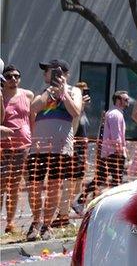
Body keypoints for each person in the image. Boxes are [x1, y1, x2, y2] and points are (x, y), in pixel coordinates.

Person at [26, 59, 82, 241]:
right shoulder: (44, 92)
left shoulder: (75, 91)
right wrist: (50, 92)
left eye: (48, 71)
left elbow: (75, 112)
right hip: (38, 148)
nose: (44, 74)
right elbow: (33, 107)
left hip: (60, 147)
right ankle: (35, 222)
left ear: (61, 72)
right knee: (33, 186)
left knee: (53, 186)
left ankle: (47, 225)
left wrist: (63, 92)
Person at [2, 63, 33, 234]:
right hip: (3, 148)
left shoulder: (27, 95)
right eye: (9, 76)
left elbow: (32, 119)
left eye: (16, 76)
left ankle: (10, 222)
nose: (13, 79)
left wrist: (34, 140)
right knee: (0, 186)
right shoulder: (0, 95)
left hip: (23, 146)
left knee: (14, 186)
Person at [55, 81, 91, 227]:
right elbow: (74, 128)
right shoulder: (75, 111)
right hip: (73, 149)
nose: (86, 94)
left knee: (76, 184)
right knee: (69, 183)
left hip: (81, 151)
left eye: (87, 91)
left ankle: (66, 210)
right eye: (83, 91)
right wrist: (80, 105)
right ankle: (61, 216)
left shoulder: (83, 112)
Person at [93, 91, 130, 194]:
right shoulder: (116, 114)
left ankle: (80, 200)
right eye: (125, 100)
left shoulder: (113, 113)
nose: (128, 102)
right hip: (114, 153)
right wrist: (120, 153)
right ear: (118, 100)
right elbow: (116, 136)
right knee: (116, 181)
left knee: (102, 179)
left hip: (109, 152)